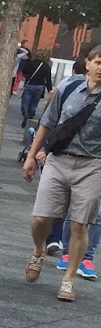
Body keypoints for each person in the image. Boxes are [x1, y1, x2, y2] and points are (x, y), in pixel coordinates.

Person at [22, 44, 101, 302]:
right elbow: (47, 122)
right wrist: (32, 156)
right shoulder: (68, 88)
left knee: (79, 223)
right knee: (41, 219)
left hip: (92, 165)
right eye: (98, 62)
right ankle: (39, 249)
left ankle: (68, 280)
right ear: (88, 63)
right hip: (58, 160)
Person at [20, 51, 54, 126]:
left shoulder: (30, 63)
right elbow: (48, 79)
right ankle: (31, 115)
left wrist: (27, 77)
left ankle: (25, 116)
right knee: (34, 103)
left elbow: (24, 71)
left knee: (25, 104)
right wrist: (50, 89)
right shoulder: (46, 66)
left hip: (30, 85)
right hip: (40, 86)